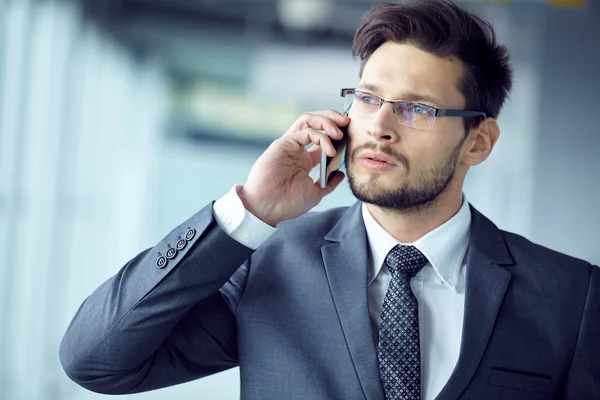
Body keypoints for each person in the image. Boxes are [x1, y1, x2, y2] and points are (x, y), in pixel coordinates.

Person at [59, 0, 599, 399]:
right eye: (368, 98)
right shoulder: (269, 264)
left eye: (417, 109)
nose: (380, 126)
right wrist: (250, 210)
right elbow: (95, 361)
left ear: (477, 142)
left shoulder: (572, 299)